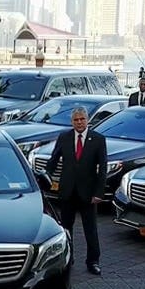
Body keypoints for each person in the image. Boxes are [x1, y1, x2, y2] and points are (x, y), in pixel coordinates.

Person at [46, 107, 107, 276]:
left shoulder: (98, 139)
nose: (79, 122)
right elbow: (53, 161)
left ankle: (93, 261)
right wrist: (44, 178)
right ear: (72, 122)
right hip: (67, 192)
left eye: (82, 119)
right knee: (66, 228)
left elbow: (102, 168)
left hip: (88, 193)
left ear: (87, 120)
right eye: (76, 120)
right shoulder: (64, 137)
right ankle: (68, 258)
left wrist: (99, 193)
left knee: (90, 229)